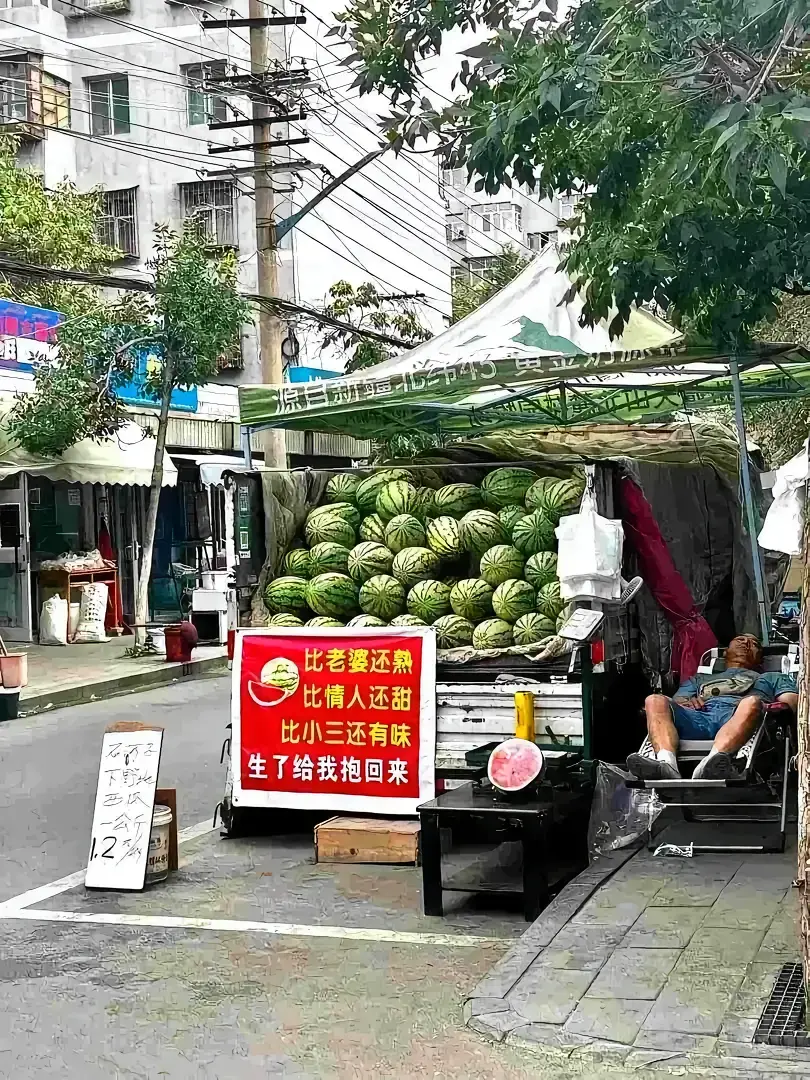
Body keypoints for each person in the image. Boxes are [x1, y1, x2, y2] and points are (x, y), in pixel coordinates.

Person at [627, 634, 798, 781]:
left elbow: (794, 704)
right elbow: (678, 700)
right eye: (740, 639)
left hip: (740, 719)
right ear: (725, 653)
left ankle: (712, 763)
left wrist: (762, 706)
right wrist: (688, 702)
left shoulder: (772, 677)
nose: (746, 643)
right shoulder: (699, 679)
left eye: (754, 644)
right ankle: (667, 766)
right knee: (654, 700)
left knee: (751, 702)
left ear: (760, 659)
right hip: (698, 717)